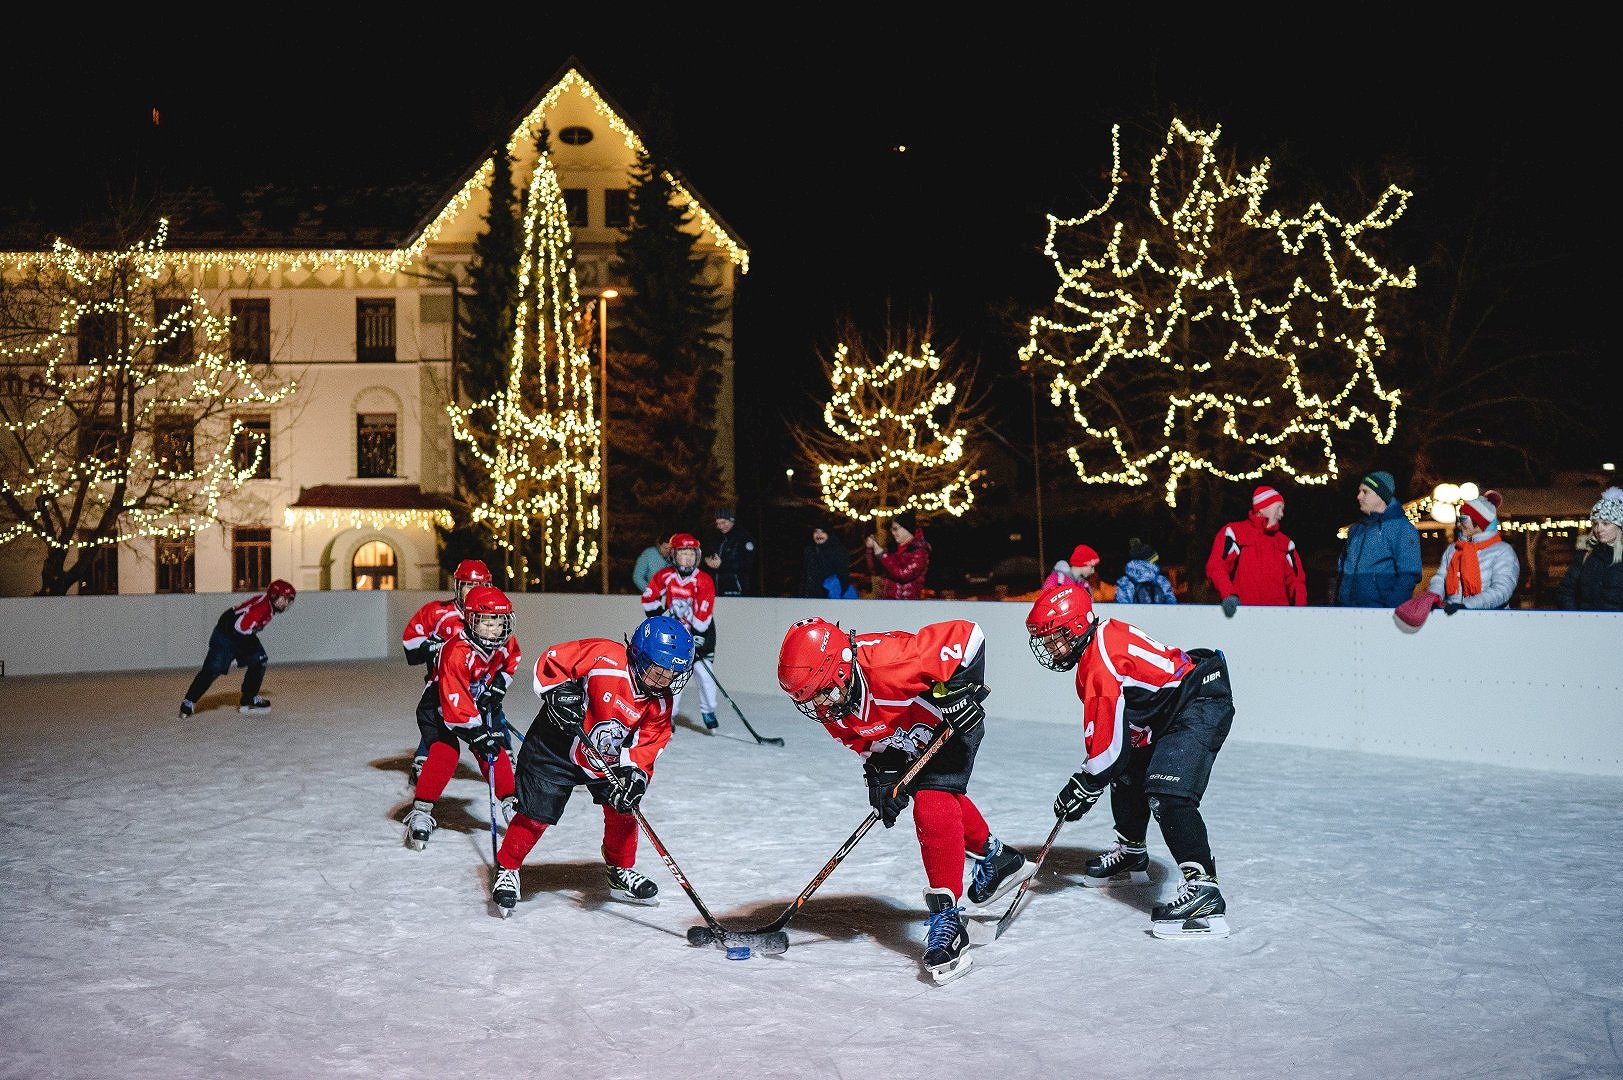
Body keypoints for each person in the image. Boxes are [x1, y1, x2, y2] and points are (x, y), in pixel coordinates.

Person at [775, 616, 1031, 984]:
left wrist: (958, 692)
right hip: (915, 736)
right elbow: (862, 740)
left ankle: (949, 920)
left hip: (951, 723)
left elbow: (969, 635)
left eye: (819, 693)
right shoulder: (831, 702)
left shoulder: (890, 661)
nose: (817, 705)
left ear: (839, 671)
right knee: (934, 795)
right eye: (808, 698)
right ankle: (998, 857)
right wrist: (878, 773)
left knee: (932, 798)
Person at [1025, 582, 1234, 939]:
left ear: (1076, 628)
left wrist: (1085, 784)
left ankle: (1205, 891)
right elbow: (1115, 749)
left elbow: (1106, 753)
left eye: (1053, 637)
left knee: (1169, 794)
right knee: (1128, 772)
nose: (1048, 647)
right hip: (1168, 708)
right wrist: (1094, 776)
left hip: (1198, 702)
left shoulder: (1099, 663)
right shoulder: (1097, 645)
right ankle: (1133, 850)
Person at [490, 615, 695, 914]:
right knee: (535, 814)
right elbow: (553, 661)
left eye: (671, 674)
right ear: (637, 655)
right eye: (658, 672)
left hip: (604, 754)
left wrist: (636, 775)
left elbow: (650, 742)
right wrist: (558, 691)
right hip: (555, 745)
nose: (664, 681)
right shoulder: (604, 656)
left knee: (624, 810)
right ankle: (507, 868)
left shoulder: (661, 702)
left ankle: (619, 871)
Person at [401, 585, 520, 851]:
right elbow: (454, 704)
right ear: (471, 620)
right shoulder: (456, 651)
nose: (494, 629)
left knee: (495, 750)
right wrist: (477, 734)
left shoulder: (503, 642)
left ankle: (511, 802)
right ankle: (421, 810)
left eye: (499, 622)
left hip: (473, 703)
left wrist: (499, 684)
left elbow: (512, 658)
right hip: (439, 708)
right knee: (446, 752)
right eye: (486, 621)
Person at [400, 559, 493, 786]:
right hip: (443, 685)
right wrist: (431, 647)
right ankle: (424, 760)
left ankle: (502, 760)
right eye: (468, 585)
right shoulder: (437, 612)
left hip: (478, 686)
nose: (474, 591)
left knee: (492, 720)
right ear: (457, 587)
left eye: (480, 586)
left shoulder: (491, 617)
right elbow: (411, 646)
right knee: (439, 723)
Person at [179, 578, 296, 718]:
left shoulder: (268, 606)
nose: (286, 603)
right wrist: (242, 647)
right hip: (227, 635)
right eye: (284, 599)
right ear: (274, 595)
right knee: (212, 669)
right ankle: (189, 701)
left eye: (288, 600)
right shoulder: (263, 608)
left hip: (239, 634)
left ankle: (249, 697)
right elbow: (240, 626)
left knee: (260, 661)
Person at [641, 533, 720, 734]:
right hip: (676, 636)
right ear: (674, 555)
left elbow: (703, 615)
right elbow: (649, 598)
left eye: (691, 554)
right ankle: (670, 715)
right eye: (682, 554)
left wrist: (696, 636)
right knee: (674, 677)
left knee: (703, 673)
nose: (687, 558)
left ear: (697, 556)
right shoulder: (664, 576)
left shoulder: (703, 580)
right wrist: (662, 621)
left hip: (701, 633)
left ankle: (709, 710)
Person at [1206, 484, 1308, 615]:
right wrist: (1228, 595)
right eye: (1278, 508)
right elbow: (1217, 565)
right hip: (1244, 615)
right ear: (1262, 508)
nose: (1281, 514)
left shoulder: (1285, 543)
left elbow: (1297, 581)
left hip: (1279, 619)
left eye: (1282, 509)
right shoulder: (1236, 533)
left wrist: (1300, 612)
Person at [1420, 490, 1519, 612]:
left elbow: (1502, 589)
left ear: (1479, 522)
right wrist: (1433, 598)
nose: (1458, 524)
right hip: (1455, 616)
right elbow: (1440, 578)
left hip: (1490, 620)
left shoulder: (1502, 551)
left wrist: (1468, 605)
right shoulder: (1454, 549)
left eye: (1463, 518)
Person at [1334, 470, 1422, 607]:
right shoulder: (1355, 530)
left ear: (1381, 495)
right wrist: (1338, 601)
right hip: (1346, 610)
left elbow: (1409, 574)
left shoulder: (1402, 529)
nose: (1359, 496)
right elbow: (1342, 570)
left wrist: (1390, 608)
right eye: (1359, 491)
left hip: (1379, 611)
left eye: (1365, 492)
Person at [1557, 486, 1623, 610]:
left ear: (1619, 526)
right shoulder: (1586, 555)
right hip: (1587, 626)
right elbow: (1566, 591)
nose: (1599, 529)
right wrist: (1578, 619)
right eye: (1595, 524)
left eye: (1605, 523)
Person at [864, 509, 931, 600]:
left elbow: (902, 575)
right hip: (892, 605)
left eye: (895, 529)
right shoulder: (897, 550)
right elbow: (875, 571)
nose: (892, 532)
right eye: (891, 529)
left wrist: (882, 555)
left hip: (906, 606)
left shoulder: (920, 552)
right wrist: (870, 550)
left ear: (907, 529)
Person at [704, 507, 755, 596]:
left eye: (724, 522)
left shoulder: (744, 538)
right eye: (718, 523)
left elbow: (747, 564)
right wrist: (706, 560)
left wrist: (721, 565)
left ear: (732, 520)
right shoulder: (716, 538)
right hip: (716, 590)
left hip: (736, 590)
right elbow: (708, 554)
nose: (721, 526)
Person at [1114, 538, 1177, 604]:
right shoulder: (1161, 580)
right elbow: (1171, 607)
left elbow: (1121, 609)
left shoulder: (1125, 582)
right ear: (1152, 562)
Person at [800, 522, 853, 599]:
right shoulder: (809, 550)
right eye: (816, 531)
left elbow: (843, 576)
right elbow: (804, 575)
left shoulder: (838, 551)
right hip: (809, 597)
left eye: (823, 532)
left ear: (829, 534)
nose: (819, 535)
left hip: (829, 598)